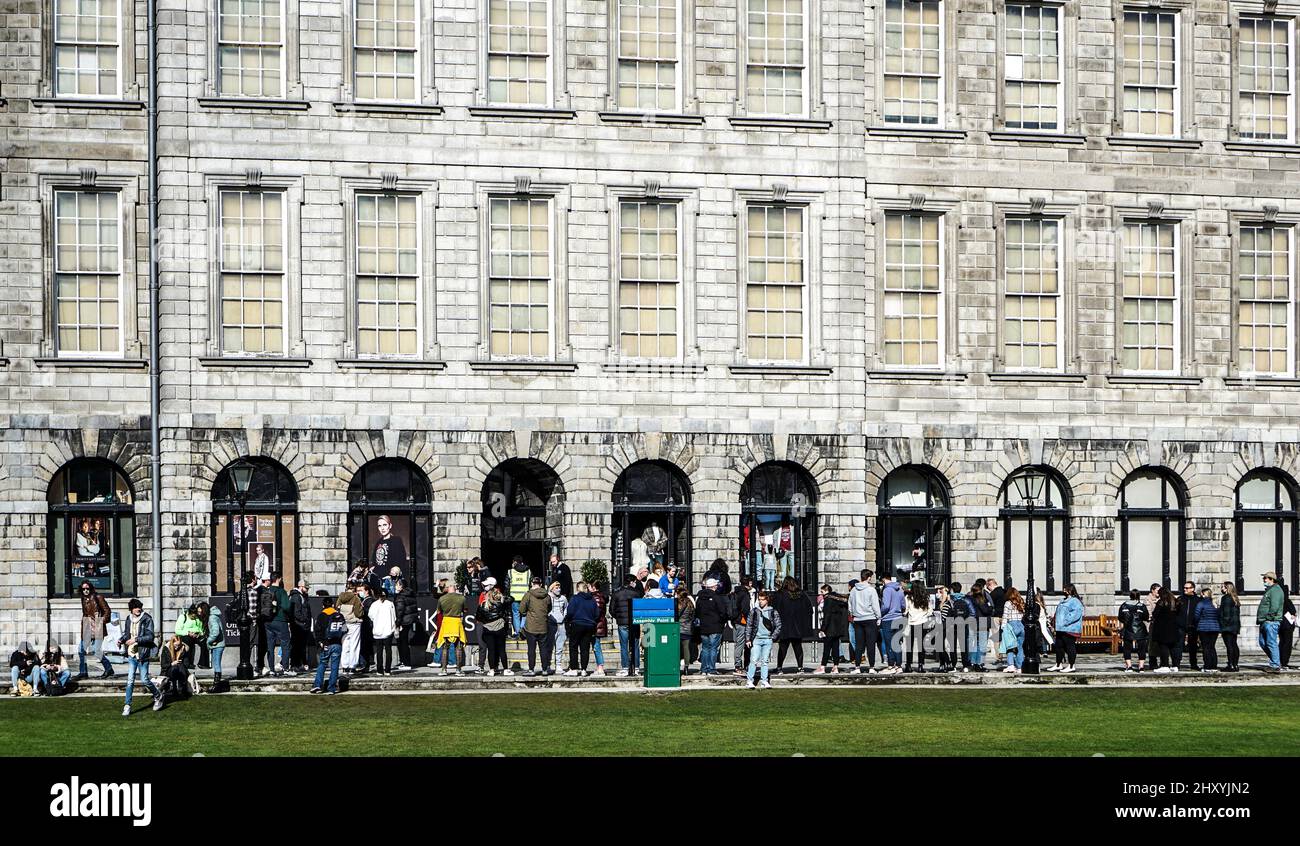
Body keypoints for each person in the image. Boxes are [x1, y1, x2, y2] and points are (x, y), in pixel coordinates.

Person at [118, 598, 162, 716]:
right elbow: (127, 634)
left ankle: (158, 696)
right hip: (132, 654)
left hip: (143, 654)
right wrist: (121, 640)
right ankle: (127, 705)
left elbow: (150, 637)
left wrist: (136, 639)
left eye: (139, 607)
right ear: (131, 609)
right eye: (135, 607)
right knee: (130, 681)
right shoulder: (129, 619)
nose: (138, 609)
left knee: (145, 680)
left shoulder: (147, 619)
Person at [771, 577, 813, 674]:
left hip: (784, 625)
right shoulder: (801, 594)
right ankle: (800, 667)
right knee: (798, 647)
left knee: (783, 647)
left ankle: (779, 668)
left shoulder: (780, 594)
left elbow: (774, 610)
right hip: (797, 626)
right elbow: (809, 610)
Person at [75, 581, 114, 679]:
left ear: (91, 588)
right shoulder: (83, 599)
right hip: (87, 628)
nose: (85, 591)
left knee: (97, 651)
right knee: (81, 650)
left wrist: (100, 622)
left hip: (97, 628)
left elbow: (107, 611)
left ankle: (108, 668)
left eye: (87, 588)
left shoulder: (98, 597)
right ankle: (83, 672)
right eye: (83, 589)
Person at [745, 591, 782, 689]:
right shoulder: (754, 611)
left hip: (767, 639)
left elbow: (778, 625)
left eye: (763, 600)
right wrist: (748, 639)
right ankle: (749, 680)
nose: (760, 602)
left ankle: (764, 681)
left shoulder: (773, 611)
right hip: (756, 639)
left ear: (767, 600)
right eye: (759, 600)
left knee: (765, 661)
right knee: (753, 660)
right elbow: (749, 625)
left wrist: (772, 637)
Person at [311, 596, 347, 695]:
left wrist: (320, 642)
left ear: (323, 605)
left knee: (322, 664)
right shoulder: (339, 615)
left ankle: (318, 685)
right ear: (332, 605)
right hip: (337, 644)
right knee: (335, 667)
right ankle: (332, 688)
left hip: (326, 644)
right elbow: (344, 630)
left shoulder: (321, 616)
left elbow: (318, 631)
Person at [847, 569, 880, 673]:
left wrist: (853, 614)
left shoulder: (853, 590)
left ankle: (857, 667)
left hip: (857, 619)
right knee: (871, 644)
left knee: (859, 644)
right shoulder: (871, 590)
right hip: (870, 618)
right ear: (869, 577)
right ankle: (871, 667)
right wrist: (879, 617)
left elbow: (850, 605)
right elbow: (875, 605)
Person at [564, 581, 600, 676]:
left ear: (577, 589)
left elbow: (570, 612)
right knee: (585, 648)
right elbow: (597, 614)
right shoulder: (592, 599)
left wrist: (568, 620)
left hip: (577, 624)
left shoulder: (575, 598)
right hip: (589, 625)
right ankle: (584, 669)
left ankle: (574, 668)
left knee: (574, 646)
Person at [519, 577, 553, 676]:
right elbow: (549, 608)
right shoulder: (547, 596)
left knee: (531, 649)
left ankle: (531, 669)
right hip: (543, 625)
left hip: (531, 626)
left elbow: (521, 610)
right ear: (541, 584)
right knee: (543, 649)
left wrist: (529, 612)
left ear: (532, 584)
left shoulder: (528, 595)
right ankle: (545, 669)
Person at [432, 583, 468, 675]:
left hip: (446, 622)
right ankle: (458, 670)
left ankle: (444, 670)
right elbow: (465, 610)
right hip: (456, 622)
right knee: (458, 647)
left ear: (447, 589)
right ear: (455, 588)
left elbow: (439, 611)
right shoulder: (462, 598)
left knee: (445, 647)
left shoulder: (442, 598)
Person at [610, 574, 642, 677]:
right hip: (634, 622)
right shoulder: (636, 593)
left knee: (624, 646)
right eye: (635, 582)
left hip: (622, 623)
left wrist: (618, 618)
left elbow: (611, 610)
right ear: (631, 582)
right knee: (635, 645)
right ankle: (636, 668)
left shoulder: (616, 593)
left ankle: (625, 668)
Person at [477, 582, 511, 676]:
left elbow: (478, 617)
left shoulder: (483, 605)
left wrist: (486, 621)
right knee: (501, 650)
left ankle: (491, 670)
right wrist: (502, 597)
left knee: (491, 650)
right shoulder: (501, 604)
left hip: (488, 629)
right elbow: (511, 599)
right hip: (500, 628)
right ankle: (505, 669)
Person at [1048, 584, 1084, 673]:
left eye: (1065, 589)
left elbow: (1075, 614)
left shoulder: (1075, 601)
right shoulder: (1063, 601)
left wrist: (1065, 621)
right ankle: (1058, 664)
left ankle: (1071, 666)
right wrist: (1054, 621)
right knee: (1059, 646)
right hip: (1060, 628)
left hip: (1070, 629)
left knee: (1070, 647)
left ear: (1069, 590)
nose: (1063, 591)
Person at [694, 577, 726, 676]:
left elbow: (697, 612)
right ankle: (711, 669)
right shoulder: (716, 597)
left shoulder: (699, 598)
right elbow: (723, 612)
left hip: (703, 626)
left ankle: (704, 669)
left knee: (705, 648)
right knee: (713, 648)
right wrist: (722, 621)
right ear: (714, 587)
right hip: (715, 626)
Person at [815, 584, 849, 673]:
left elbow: (827, 616)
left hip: (829, 628)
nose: (821, 594)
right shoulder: (837, 599)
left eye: (822, 592)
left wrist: (822, 629)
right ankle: (835, 667)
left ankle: (822, 666)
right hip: (837, 628)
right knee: (835, 648)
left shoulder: (828, 600)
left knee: (826, 648)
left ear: (826, 591)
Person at [1258, 571, 1286, 673]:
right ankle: (1276, 661)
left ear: (1271, 579)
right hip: (1265, 621)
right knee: (1262, 642)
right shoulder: (1270, 590)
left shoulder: (1275, 590)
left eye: (1265, 578)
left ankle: (1275, 665)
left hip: (1271, 621)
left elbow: (1274, 606)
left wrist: (1268, 618)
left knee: (1271, 643)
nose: (1263, 580)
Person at [1117, 589, 1150, 672]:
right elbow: (1146, 617)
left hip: (1127, 629)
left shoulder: (1124, 605)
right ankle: (1141, 667)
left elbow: (1120, 617)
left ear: (1130, 596)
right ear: (1139, 596)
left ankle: (1129, 666)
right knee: (1142, 649)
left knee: (1127, 649)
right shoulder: (1142, 606)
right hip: (1140, 629)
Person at [902, 581, 931, 673]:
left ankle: (908, 665)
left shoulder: (908, 598)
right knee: (921, 646)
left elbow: (905, 611)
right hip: (922, 622)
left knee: (909, 646)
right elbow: (930, 611)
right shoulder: (926, 597)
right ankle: (920, 665)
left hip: (911, 623)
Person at [879, 573, 905, 672]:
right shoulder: (900, 589)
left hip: (888, 619)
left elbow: (885, 606)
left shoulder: (887, 590)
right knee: (897, 643)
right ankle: (899, 665)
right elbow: (903, 605)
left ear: (884, 580)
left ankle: (891, 665)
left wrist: (879, 613)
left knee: (889, 643)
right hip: (899, 618)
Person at [368, 588, 398, 676]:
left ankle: (380, 670)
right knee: (388, 650)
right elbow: (394, 617)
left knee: (380, 651)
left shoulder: (374, 605)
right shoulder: (390, 604)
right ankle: (387, 669)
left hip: (378, 630)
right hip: (388, 629)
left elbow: (371, 616)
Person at [337, 579, 364, 674]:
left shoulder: (340, 597)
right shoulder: (355, 598)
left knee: (345, 644)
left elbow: (337, 608)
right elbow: (358, 613)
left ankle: (344, 666)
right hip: (354, 623)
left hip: (344, 623)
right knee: (355, 645)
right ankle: (352, 666)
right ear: (354, 588)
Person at [158, 635, 194, 705]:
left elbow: (186, 664)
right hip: (168, 670)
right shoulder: (166, 649)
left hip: (180, 670)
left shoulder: (182, 649)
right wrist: (172, 663)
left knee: (180, 666)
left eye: (178, 645)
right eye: (175, 645)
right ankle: (177, 690)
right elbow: (163, 665)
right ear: (172, 643)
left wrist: (181, 653)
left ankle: (180, 690)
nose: (177, 647)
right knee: (175, 667)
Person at [1150, 587, 1180, 673]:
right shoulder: (1175, 602)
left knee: (1163, 647)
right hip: (1173, 627)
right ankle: (1175, 665)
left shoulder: (1161, 602)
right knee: (1173, 647)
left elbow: (1155, 614)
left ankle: (1165, 665)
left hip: (1162, 628)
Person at [1191, 587, 1220, 672]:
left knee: (1206, 647)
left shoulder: (1201, 604)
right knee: (1212, 647)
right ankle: (1214, 666)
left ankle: (1207, 666)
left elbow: (1196, 616)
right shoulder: (1214, 603)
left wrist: (1197, 623)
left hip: (1203, 628)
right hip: (1215, 628)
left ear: (1203, 594)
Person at [288, 579, 313, 674]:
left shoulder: (301, 596)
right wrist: (304, 621)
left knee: (299, 646)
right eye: (306, 588)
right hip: (298, 625)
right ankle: (295, 665)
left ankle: (298, 664)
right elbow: (296, 612)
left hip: (300, 625)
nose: (307, 590)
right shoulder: (297, 597)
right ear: (301, 587)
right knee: (296, 646)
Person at [730, 576, 754, 675]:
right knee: (740, 644)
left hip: (735, 620)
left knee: (737, 643)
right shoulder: (744, 594)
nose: (751, 584)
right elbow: (745, 609)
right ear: (748, 583)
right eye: (751, 582)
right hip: (742, 621)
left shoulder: (736, 592)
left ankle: (739, 664)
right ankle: (738, 666)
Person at [1174, 579, 1200, 671]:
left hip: (1193, 625)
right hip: (1181, 625)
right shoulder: (1180, 599)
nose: (1185, 589)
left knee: (1193, 646)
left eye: (1187, 588)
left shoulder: (1197, 600)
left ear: (1192, 589)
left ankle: (1194, 663)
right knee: (1178, 645)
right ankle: (1176, 663)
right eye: (1184, 588)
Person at [999, 588, 1026, 674]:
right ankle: (1020, 666)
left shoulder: (1008, 603)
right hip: (1021, 625)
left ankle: (1010, 665)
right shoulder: (1021, 602)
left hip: (1011, 625)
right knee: (1020, 648)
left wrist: (1003, 627)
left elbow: (1005, 615)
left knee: (1009, 647)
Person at [966, 583, 992, 671]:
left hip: (972, 622)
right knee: (982, 645)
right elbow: (986, 610)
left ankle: (973, 662)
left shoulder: (968, 598)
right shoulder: (981, 599)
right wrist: (990, 608)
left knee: (975, 644)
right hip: (982, 623)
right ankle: (980, 664)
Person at [393, 578, 418, 672]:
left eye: (397, 585)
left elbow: (399, 611)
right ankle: (403, 661)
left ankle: (406, 662)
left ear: (401, 586)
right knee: (403, 641)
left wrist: (397, 623)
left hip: (403, 621)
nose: (395, 586)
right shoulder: (409, 594)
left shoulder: (400, 596)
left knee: (402, 642)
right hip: (409, 620)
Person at [1218, 581, 1241, 672]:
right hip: (1235, 625)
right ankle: (1235, 664)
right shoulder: (1235, 598)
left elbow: (1226, 614)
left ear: (1227, 588)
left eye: (1223, 587)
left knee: (1229, 646)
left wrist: (1222, 625)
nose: (1221, 589)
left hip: (1228, 626)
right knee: (1234, 644)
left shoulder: (1226, 598)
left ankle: (1231, 664)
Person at [201, 601, 225, 686]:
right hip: (217, 644)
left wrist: (209, 640)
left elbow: (215, 632)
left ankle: (217, 684)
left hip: (218, 644)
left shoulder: (212, 618)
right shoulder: (213, 617)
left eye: (200, 611)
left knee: (217, 664)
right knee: (216, 664)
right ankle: (216, 683)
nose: (199, 613)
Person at [546, 581, 568, 675]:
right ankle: (547, 665)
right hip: (551, 625)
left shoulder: (563, 598)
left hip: (561, 625)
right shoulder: (548, 598)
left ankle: (558, 665)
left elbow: (567, 607)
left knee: (559, 647)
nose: (558, 589)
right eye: (556, 588)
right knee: (549, 647)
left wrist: (564, 615)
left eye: (559, 588)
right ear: (552, 589)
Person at [173, 604, 204, 670]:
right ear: (189, 613)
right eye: (191, 616)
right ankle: (188, 663)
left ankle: (202, 662)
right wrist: (188, 633)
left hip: (195, 635)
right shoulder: (183, 617)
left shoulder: (197, 619)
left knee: (204, 642)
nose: (193, 617)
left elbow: (201, 629)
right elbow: (177, 630)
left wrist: (199, 633)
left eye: (194, 616)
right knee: (188, 642)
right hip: (185, 635)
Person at [508, 556, 532, 638]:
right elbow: (531, 584)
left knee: (516, 614)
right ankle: (522, 629)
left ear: (514, 562)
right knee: (525, 614)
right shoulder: (528, 572)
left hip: (514, 597)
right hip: (525, 597)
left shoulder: (510, 572)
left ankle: (518, 632)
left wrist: (507, 596)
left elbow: (507, 585)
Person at [674, 583, 696, 673]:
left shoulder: (678, 603)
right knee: (686, 648)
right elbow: (693, 615)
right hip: (688, 628)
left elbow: (676, 615)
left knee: (676, 648)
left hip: (678, 627)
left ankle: (677, 665)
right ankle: (686, 667)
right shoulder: (690, 602)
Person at [590, 580, 609, 675]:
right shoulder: (600, 596)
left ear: (593, 588)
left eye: (589, 587)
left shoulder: (596, 597)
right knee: (596, 646)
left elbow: (596, 613)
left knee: (597, 646)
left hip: (597, 625)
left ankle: (600, 667)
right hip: (599, 624)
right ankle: (599, 667)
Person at [987, 577, 1006, 665]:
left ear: (990, 585)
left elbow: (990, 606)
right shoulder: (1004, 591)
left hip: (995, 617)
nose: (988, 590)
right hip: (1005, 616)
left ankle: (999, 657)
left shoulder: (993, 594)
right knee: (1004, 637)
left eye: (988, 587)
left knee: (996, 638)